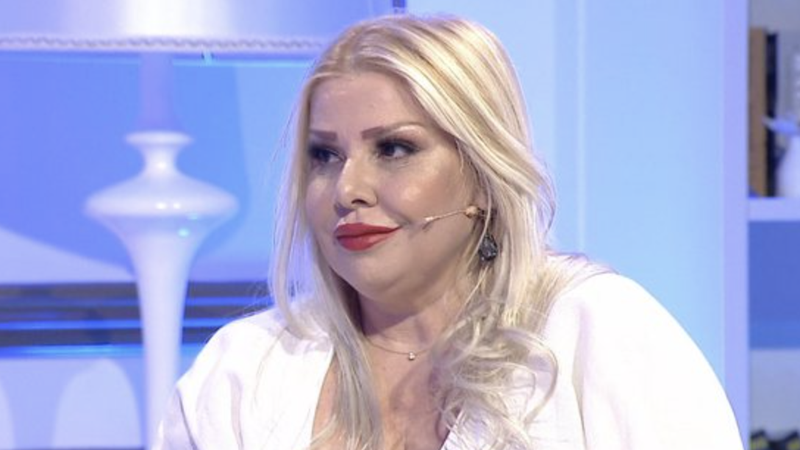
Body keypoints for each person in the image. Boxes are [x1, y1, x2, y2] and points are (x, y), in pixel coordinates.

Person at [154, 14, 743, 450]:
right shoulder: (245, 368)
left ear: (483, 173)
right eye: (325, 156)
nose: (347, 189)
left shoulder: (596, 332)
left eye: (394, 149)